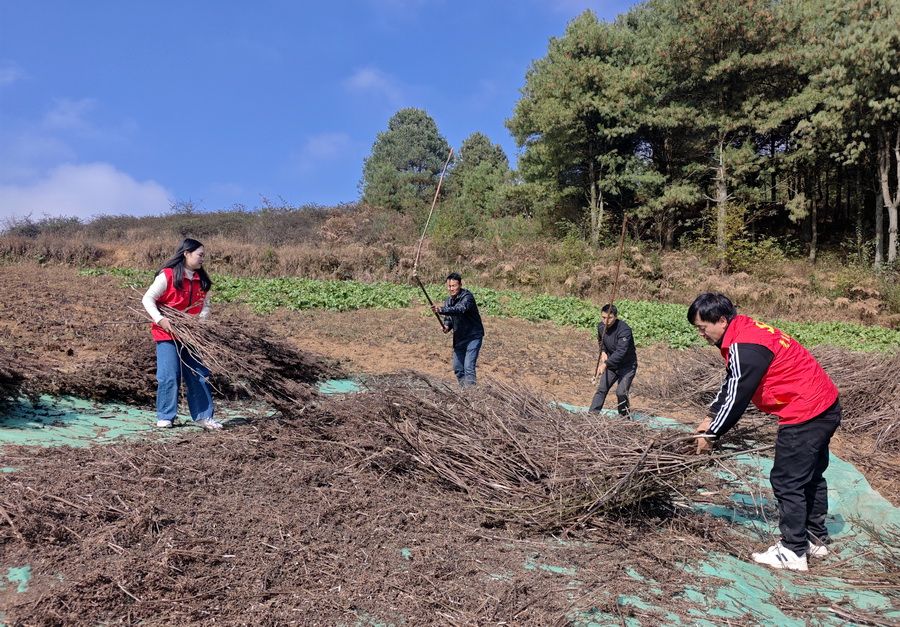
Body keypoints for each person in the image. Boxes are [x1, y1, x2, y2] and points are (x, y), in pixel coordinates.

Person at [688, 293, 840, 571]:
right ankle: (814, 539)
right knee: (809, 476)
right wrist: (710, 417)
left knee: (787, 481)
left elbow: (738, 396)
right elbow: (732, 381)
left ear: (721, 321)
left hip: (805, 413)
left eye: (702, 327)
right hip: (824, 404)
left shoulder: (745, 345)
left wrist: (712, 434)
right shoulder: (746, 330)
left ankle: (792, 551)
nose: (701, 334)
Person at [142, 238, 223, 431]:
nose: (202, 258)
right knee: (169, 375)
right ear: (186, 254)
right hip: (166, 333)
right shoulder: (168, 275)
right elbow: (148, 299)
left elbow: (205, 306)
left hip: (191, 335)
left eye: (203, 255)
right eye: (200, 255)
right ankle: (165, 416)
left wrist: (198, 322)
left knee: (198, 373)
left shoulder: (202, 280)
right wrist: (160, 319)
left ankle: (204, 417)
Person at [431, 273, 485, 386]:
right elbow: (449, 318)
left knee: (468, 367)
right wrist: (447, 326)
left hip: (473, 336)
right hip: (459, 338)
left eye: (454, 286)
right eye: (449, 286)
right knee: (458, 368)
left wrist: (441, 309)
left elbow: (460, 309)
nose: (451, 289)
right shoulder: (448, 301)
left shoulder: (467, 297)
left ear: (460, 285)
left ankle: (471, 393)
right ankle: (465, 390)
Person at [589, 304, 638, 418]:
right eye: (603, 317)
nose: (606, 321)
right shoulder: (601, 327)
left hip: (627, 366)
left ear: (615, 317)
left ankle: (624, 418)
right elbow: (601, 340)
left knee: (621, 392)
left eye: (610, 318)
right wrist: (603, 352)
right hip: (612, 366)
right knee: (602, 389)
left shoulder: (624, 330)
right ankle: (592, 415)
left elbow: (621, 352)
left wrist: (605, 364)